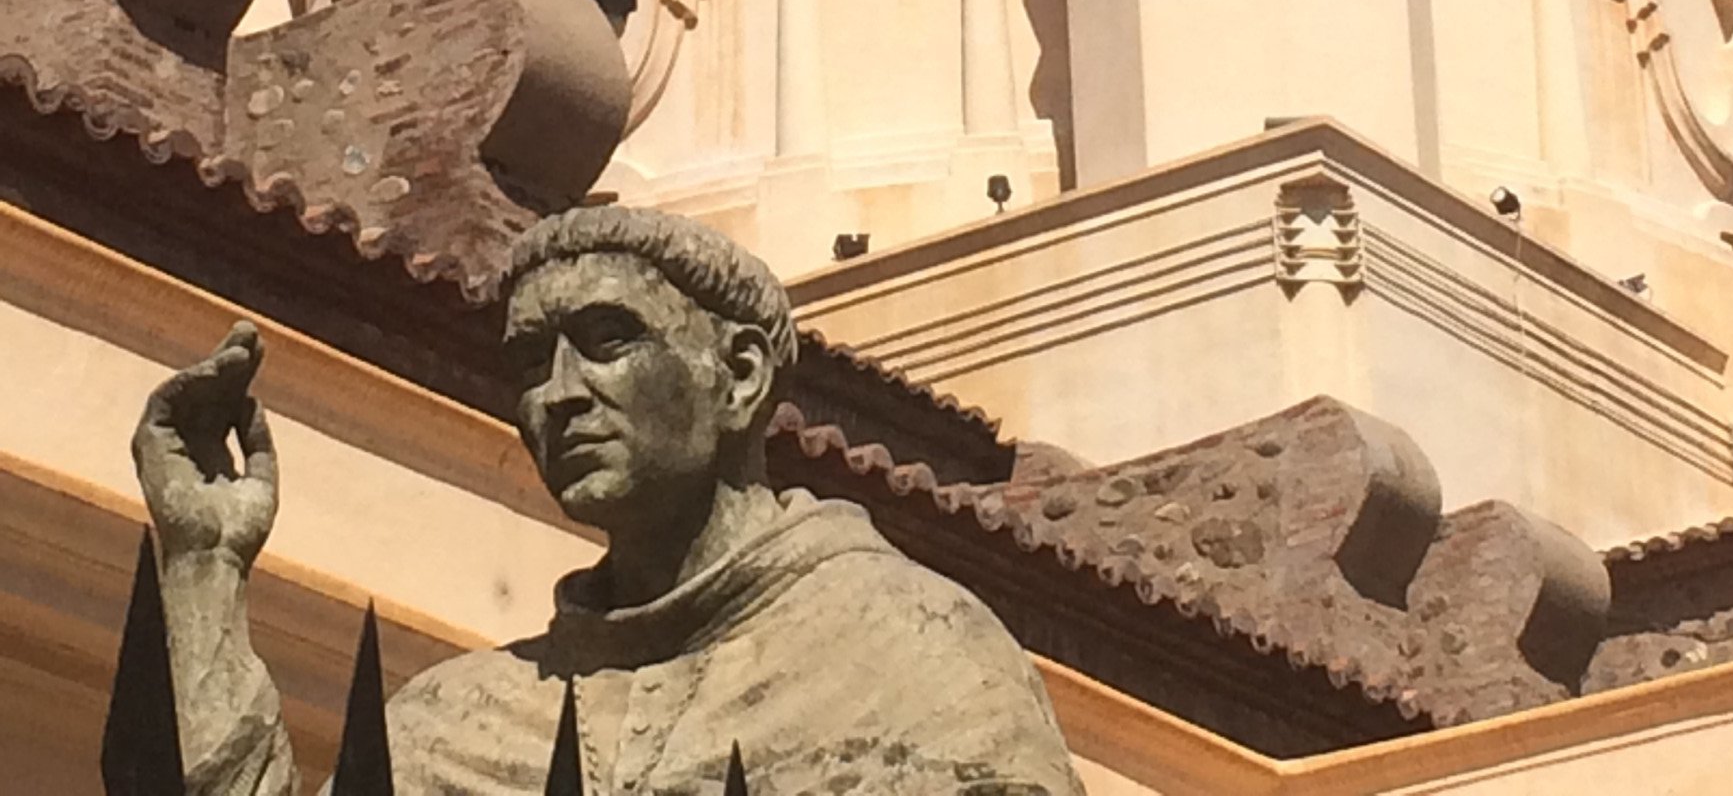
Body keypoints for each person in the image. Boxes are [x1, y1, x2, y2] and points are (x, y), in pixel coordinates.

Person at [132, 204, 1084, 796]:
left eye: (607, 340)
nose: (556, 393)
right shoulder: (456, 723)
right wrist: (202, 568)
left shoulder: (917, 655)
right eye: (528, 362)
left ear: (740, 376)